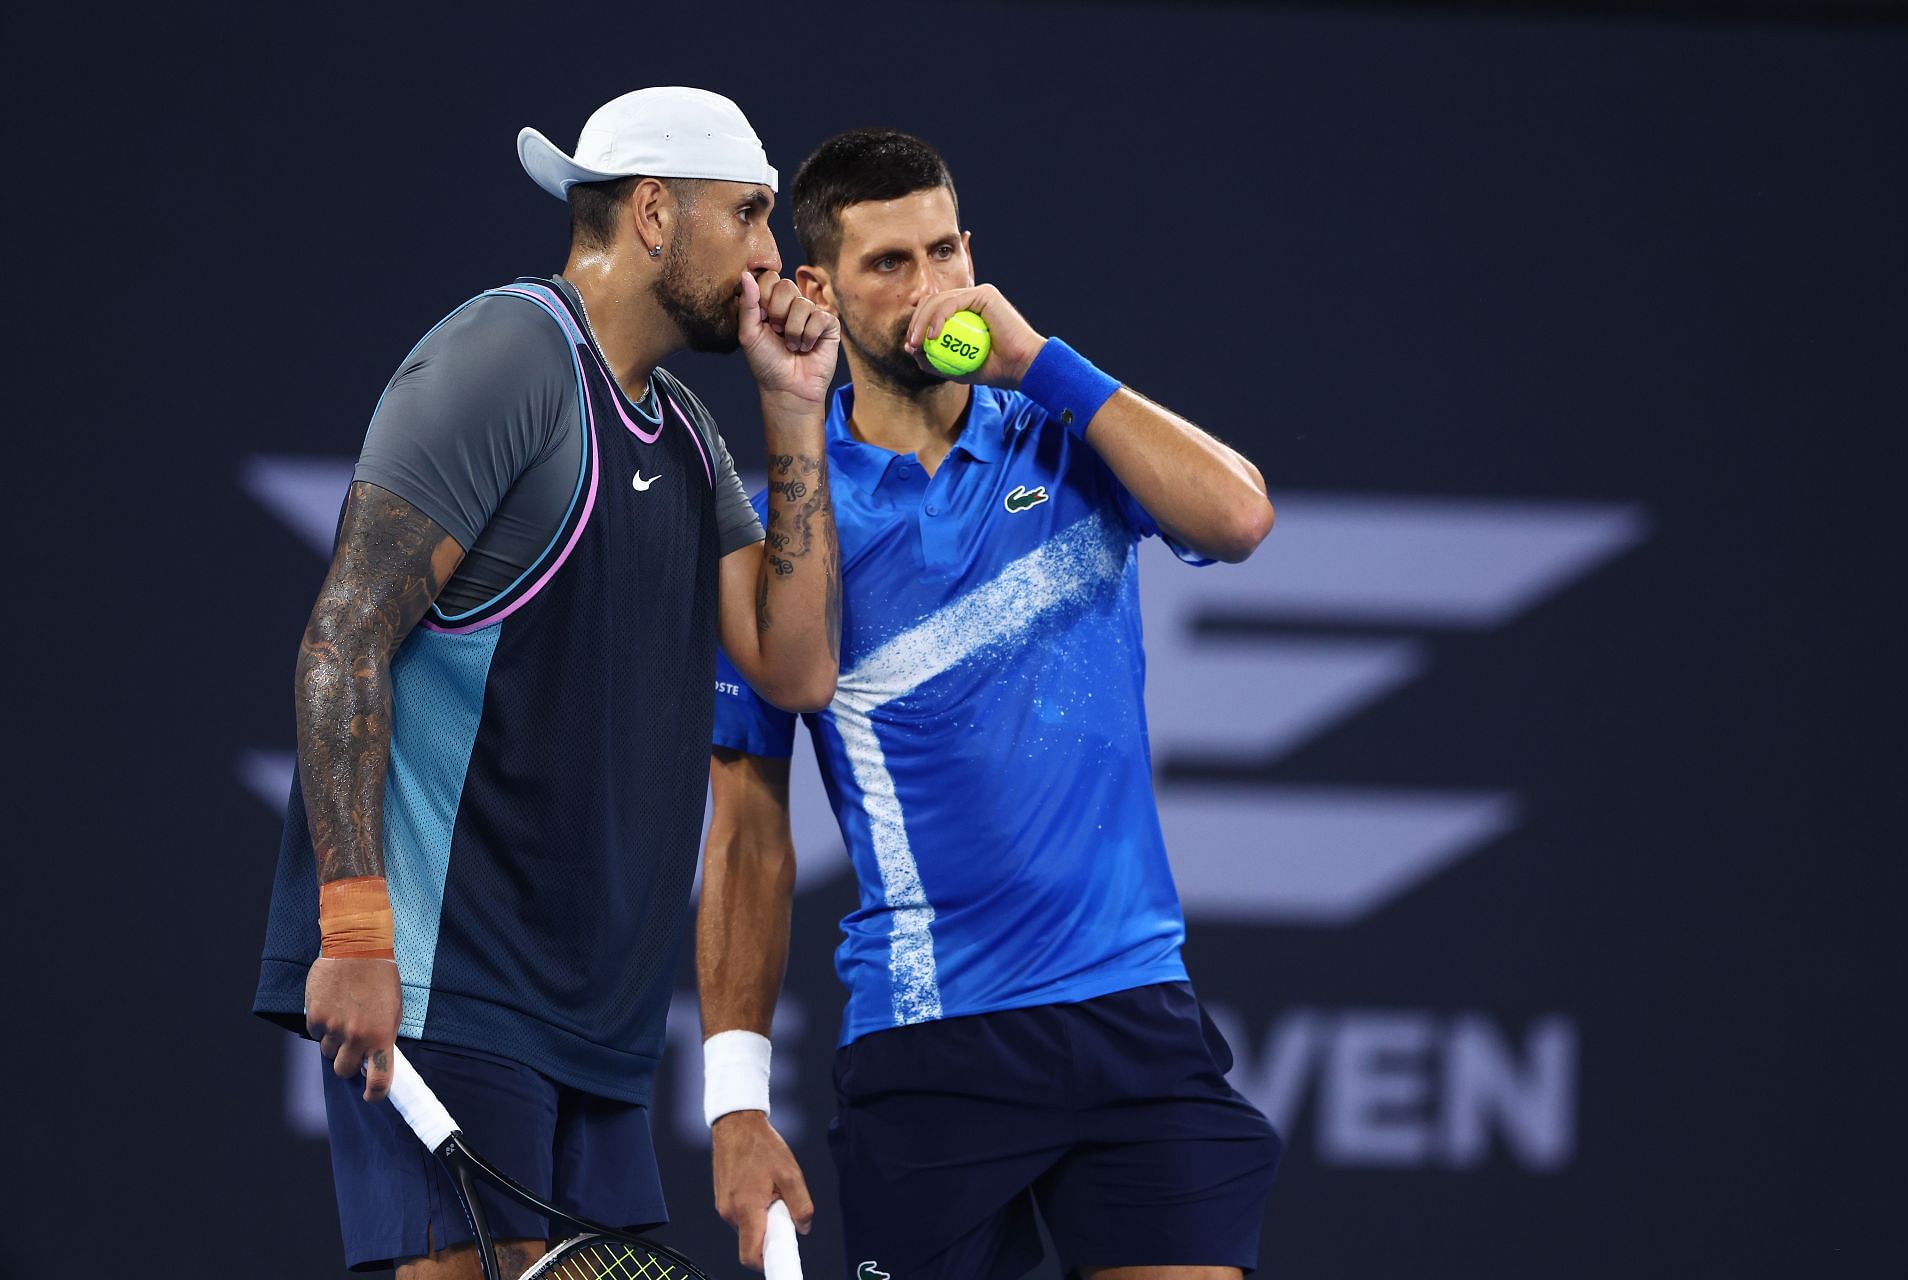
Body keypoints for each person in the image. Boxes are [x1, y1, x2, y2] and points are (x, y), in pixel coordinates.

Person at [252, 87, 843, 1278]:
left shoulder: (685, 432)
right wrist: (356, 926)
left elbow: (797, 663)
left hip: (599, 1025)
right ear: (656, 214)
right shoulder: (505, 355)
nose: (776, 256)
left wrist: (792, 407)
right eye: (751, 214)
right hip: (448, 985)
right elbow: (344, 639)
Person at [697, 128, 1283, 1280]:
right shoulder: (784, 523)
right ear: (816, 289)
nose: (930, 290)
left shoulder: (1070, 436)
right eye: (888, 265)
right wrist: (734, 1100)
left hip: (1134, 1015)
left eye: (946, 250)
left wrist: (1046, 363)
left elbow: (1241, 515)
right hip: (932, 1043)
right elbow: (751, 834)